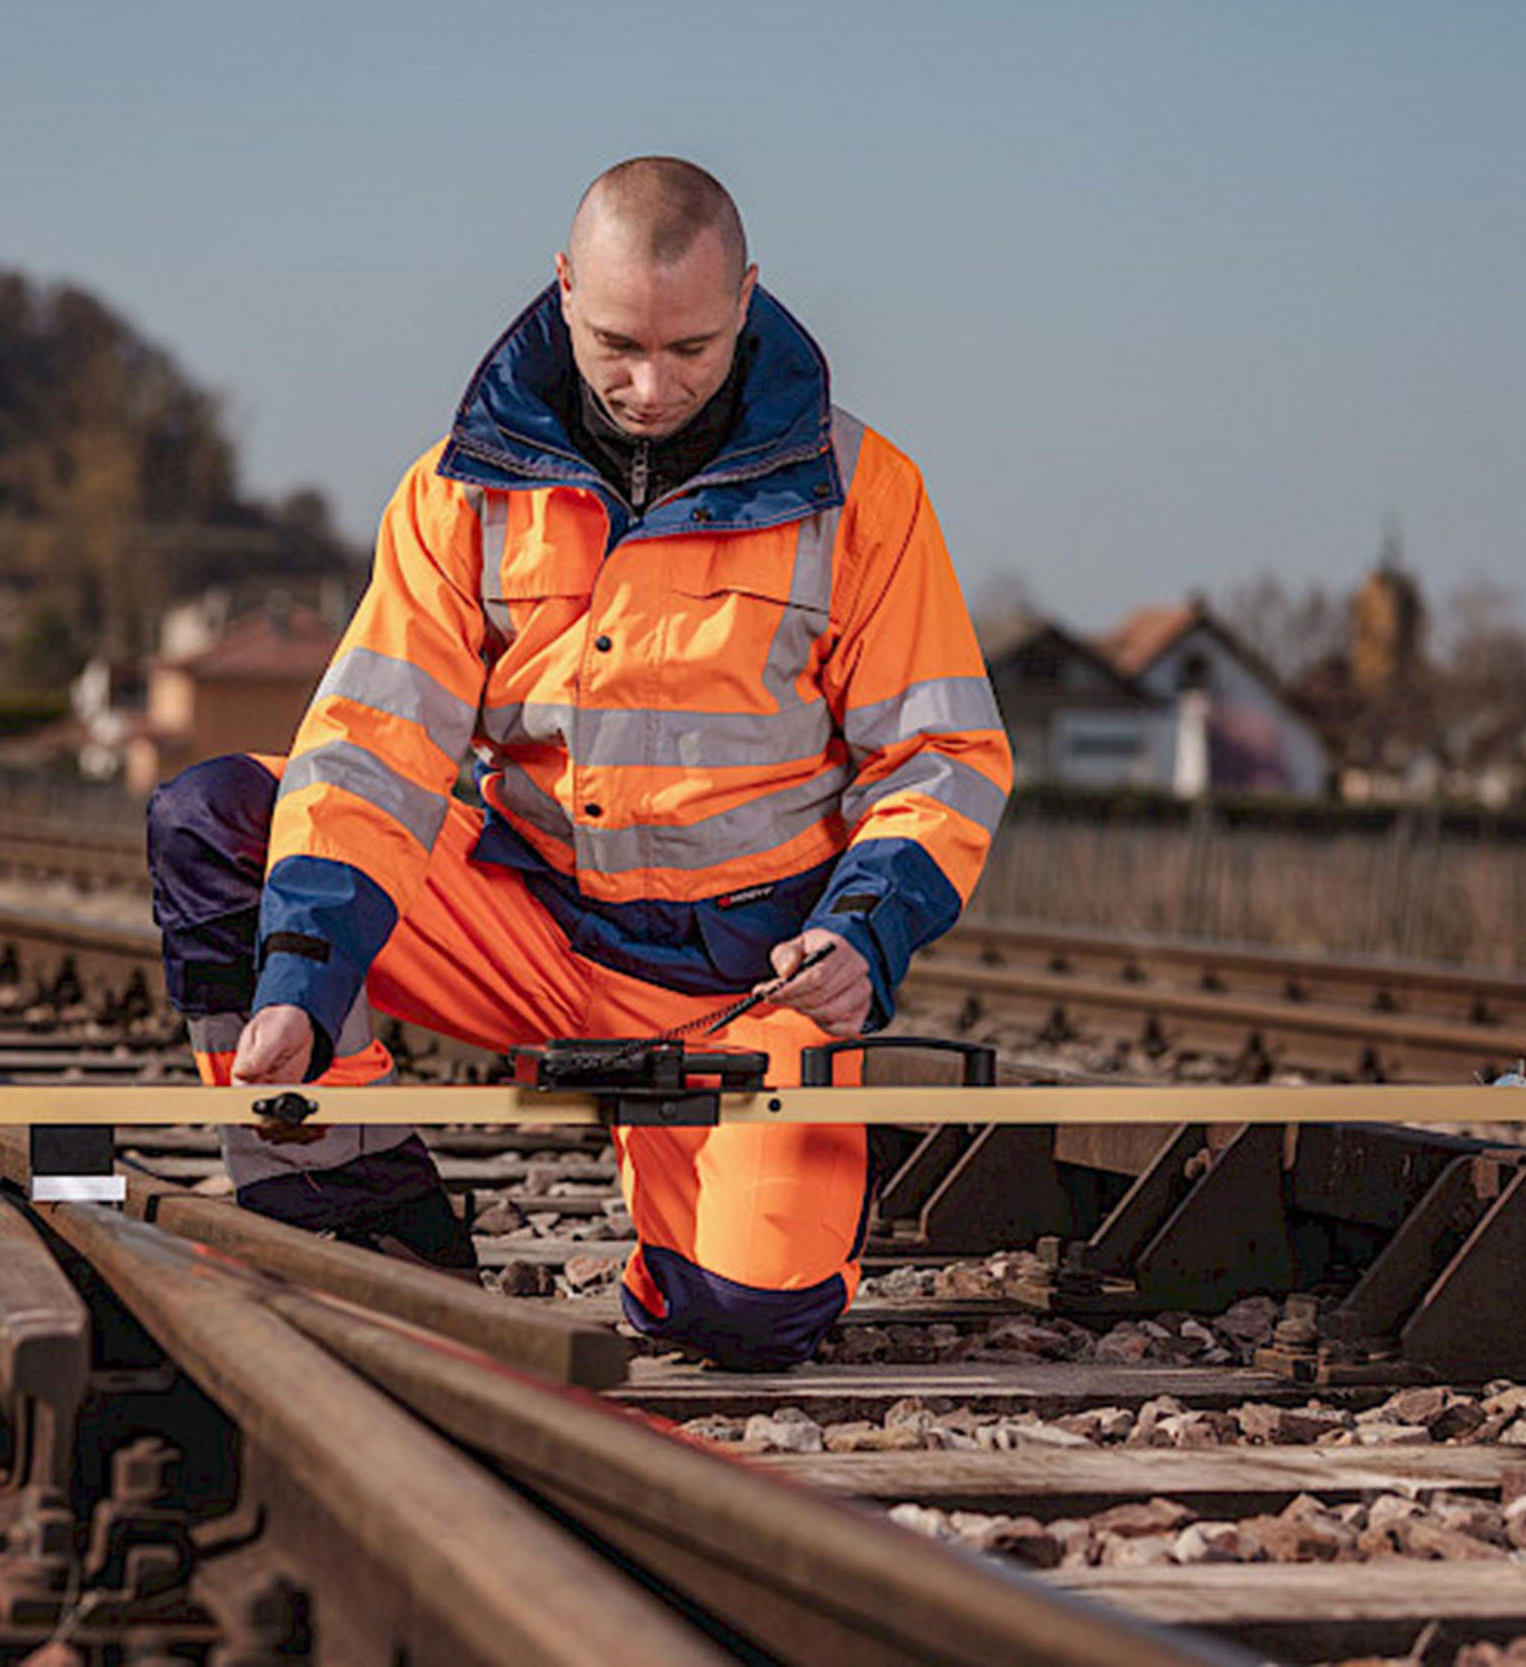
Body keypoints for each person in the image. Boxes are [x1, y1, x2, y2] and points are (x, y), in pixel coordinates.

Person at [147, 156, 1011, 1369]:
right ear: (562, 289)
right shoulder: (459, 492)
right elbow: (372, 753)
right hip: (530, 931)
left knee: (750, 1321)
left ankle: (677, 1245)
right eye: (616, 344)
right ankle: (356, 1208)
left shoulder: (866, 495)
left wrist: (865, 932)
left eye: (692, 350)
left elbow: (941, 758)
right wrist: (297, 974)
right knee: (223, 815)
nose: (650, 386)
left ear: (749, 298)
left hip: (743, 987)